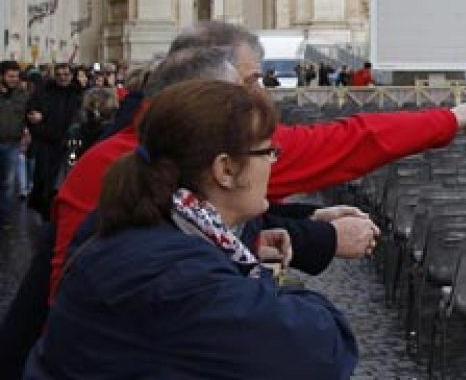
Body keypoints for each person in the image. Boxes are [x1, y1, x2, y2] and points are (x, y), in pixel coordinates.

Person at [40, 21, 466, 302]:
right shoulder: (221, 148)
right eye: (250, 82)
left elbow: (200, 234)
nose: (260, 96)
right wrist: (449, 119)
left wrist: (296, 226)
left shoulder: (121, 156)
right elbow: (346, 142)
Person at [30, 81, 358, 378]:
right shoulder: (175, 276)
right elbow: (325, 349)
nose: (274, 163)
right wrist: (262, 275)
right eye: (268, 152)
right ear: (225, 169)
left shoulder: (143, 227)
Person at [25, 65, 82, 215]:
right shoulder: (44, 93)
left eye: (66, 74)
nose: (63, 77)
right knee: (46, 183)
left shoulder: (78, 94)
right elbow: (31, 116)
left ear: (71, 75)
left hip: (70, 146)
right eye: (59, 75)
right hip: (47, 145)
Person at [0, 62, 28, 228]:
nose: (14, 80)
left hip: (12, 143)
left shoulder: (22, 94)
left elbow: (27, 115)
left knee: (8, 183)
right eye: (10, 76)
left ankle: (4, 219)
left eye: (16, 76)